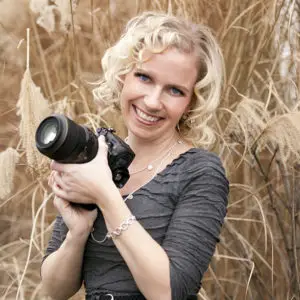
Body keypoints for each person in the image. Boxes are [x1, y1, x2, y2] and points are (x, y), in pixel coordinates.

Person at [40, 11, 229, 300]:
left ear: (192, 103)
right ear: (122, 76)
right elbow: (54, 290)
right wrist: (78, 232)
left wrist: (105, 195)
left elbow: (170, 292)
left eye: (175, 91)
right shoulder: (95, 157)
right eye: (144, 77)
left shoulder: (201, 171)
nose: (152, 102)